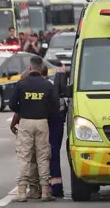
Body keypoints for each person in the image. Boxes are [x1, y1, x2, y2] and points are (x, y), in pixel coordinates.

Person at [8, 56, 59, 202]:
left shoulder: (21, 84)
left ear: (29, 68)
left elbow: (12, 104)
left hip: (25, 121)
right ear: (42, 67)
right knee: (43, 156)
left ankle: (22, 191)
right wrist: (44, 112)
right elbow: (55, 106)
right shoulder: (48, 85)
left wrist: (23, 109)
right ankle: (44, 191)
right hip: (42, 121)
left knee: (24, 156)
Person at [43, 65, 66, 198]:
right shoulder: (54, 86)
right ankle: (56, 188)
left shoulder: (39, 86)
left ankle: (42, 187)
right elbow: (63, 107)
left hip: (45, 122)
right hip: (57, 123)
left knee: (41, 156)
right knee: (54, 154)